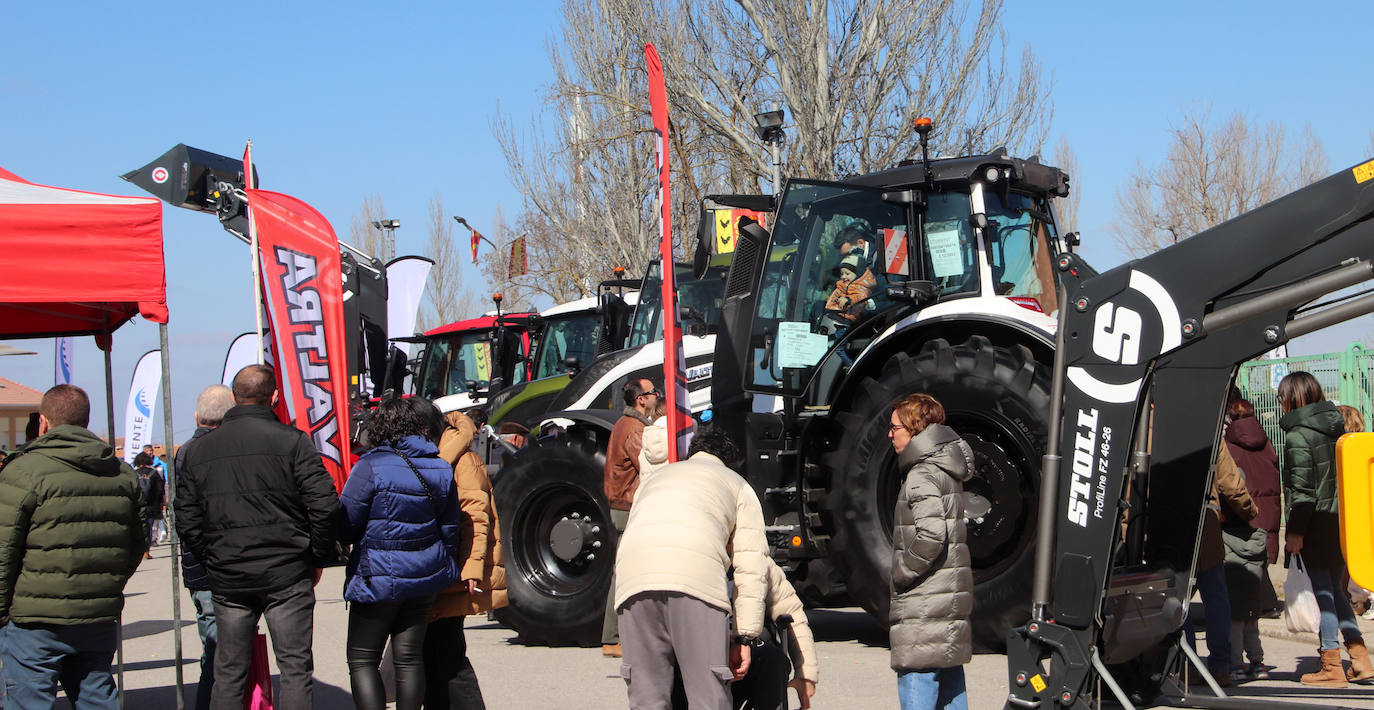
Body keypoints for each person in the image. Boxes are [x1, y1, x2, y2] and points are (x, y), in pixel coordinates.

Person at [176, 364, 342, 710]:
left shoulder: (196, 450)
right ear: (275, 397)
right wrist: (315, 557)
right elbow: (325, 506)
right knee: (295, 668)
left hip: (230, 576)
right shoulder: (292, 441)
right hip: (285, 572)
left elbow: (186, 519)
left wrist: (214, 559)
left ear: (234, 398)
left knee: (229, 671)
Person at [0, 384, 148, 709]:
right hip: (95, 615)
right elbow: (138, 543)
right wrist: (105, 585)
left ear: (43, 422)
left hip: (34, 620)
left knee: (28, 701)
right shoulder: (121, 475)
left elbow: (3, 551)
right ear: (85, 420)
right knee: (97, 697)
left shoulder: (22, 472)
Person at [615, 427, 770, 709]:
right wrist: (745, 636)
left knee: (646, 697)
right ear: (731, 462)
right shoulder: (736, 484)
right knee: (708, 694)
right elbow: (751, 566)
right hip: (696, 582)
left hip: (633, 581)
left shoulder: (655, 480)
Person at [339, 397, 464, 710]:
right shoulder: (439, 467)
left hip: (377, 576)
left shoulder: (370, 465)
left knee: (362, 659)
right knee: (409, 658)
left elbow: (347, 522)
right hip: (424, 577)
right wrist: (443, 566)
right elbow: (450, 528)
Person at [1276, 371, 1372, 686]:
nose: (1279, 403)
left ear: (1292, 398)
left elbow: (1303, 494)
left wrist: (1294, 533)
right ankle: (1360, 658)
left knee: (1324, 595)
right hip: (1340, 523)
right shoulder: (1337, 428)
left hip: (1315, 525)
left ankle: (1331, 665)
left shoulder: (1298, 436)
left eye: (1281, 397)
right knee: (1335, 591)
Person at [887, 393, 974, 710]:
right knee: (949, 682)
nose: (890, 433)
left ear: (913, 430)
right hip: (946, 599)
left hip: (923, 604)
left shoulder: (921, 474)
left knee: (918, 678)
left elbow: (932, 535)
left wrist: (901, 571)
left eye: (895, 426)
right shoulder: (944, 469)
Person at [425, 408, 508, 709]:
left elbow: (476, 516)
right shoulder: (436, 455)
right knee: (433, 656)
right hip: (437, 568)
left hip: (455, 570)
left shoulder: (462, 459)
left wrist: (470, 568)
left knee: (448, 655)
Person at [174, 384, 235, 710]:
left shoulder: (185, 452)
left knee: (216, 645)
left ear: (197, 416)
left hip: (200, 567)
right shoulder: (223, 449)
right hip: (219, 566)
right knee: (221, 652)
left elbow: (185, 516)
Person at [1221, 395, 1282, 682]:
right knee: (1252, 608)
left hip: (1235, 531)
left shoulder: (1227, 447)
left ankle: (1233, 663)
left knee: (1234, 608)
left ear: (1230, 418)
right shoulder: (1269, 444)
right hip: (1263, 531)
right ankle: (1257, 662)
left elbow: (1230, 491)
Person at [602, 377, 660, 657]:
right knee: (624, 572)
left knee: (624, 569)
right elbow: (648, 464)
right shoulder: (635, 428)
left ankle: (617, 636)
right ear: (641, 399)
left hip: (622, 504)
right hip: (628, 506)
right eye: (653, 392)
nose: (656, 396)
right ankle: (614, 637)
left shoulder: (625, 424)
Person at [1190, 444, 1256, 686]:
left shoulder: (1149, 421)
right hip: (1206, 516)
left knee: (1179, 599)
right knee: (1215, 595)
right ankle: (1220, 666)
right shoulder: (1210, 426)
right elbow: (1231, 481)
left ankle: (1186, 665)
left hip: (1164, 517)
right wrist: (1248, 510)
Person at [824, 252, 877, 323]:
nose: (843, 277)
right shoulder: (843, 285)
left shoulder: (861, 287)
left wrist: (848, 300)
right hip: (834, 314)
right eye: (842, 274)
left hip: (848, 319)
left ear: (858, 274)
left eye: (847, 274)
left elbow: (861, 297)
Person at [134, 451, 165, 559]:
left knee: (139, 528)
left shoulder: (133, 473)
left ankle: (138, 550)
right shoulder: (154, 473)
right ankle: (146, 551)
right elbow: (160, 489)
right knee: (149, 528)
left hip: (137, 506)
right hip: (151, 506)